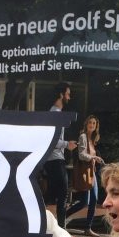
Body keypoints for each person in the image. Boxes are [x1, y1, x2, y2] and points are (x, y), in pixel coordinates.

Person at [42, 81, 77, 229]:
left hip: (54, 160)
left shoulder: (55, 113)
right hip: (55, 159)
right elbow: (51, 139)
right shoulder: (55, 114)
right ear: (61, 94)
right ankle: (61, 230)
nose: (70, 97)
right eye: (68, 94)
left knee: (53, 196)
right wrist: (67, 145)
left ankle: (52, 227)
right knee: (62, 196)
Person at [65, 115, 104, 236]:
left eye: (94, 123)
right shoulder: (83, 137)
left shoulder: (92, 139)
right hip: (85, 173)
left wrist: (96, 159)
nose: (92, 125)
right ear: (86, 124)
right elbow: (81, 155)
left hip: (91, 172)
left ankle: (88, 227)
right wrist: (94, 157)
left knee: (93, 199)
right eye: (90, 123)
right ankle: (63, 217)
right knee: (84, 202)